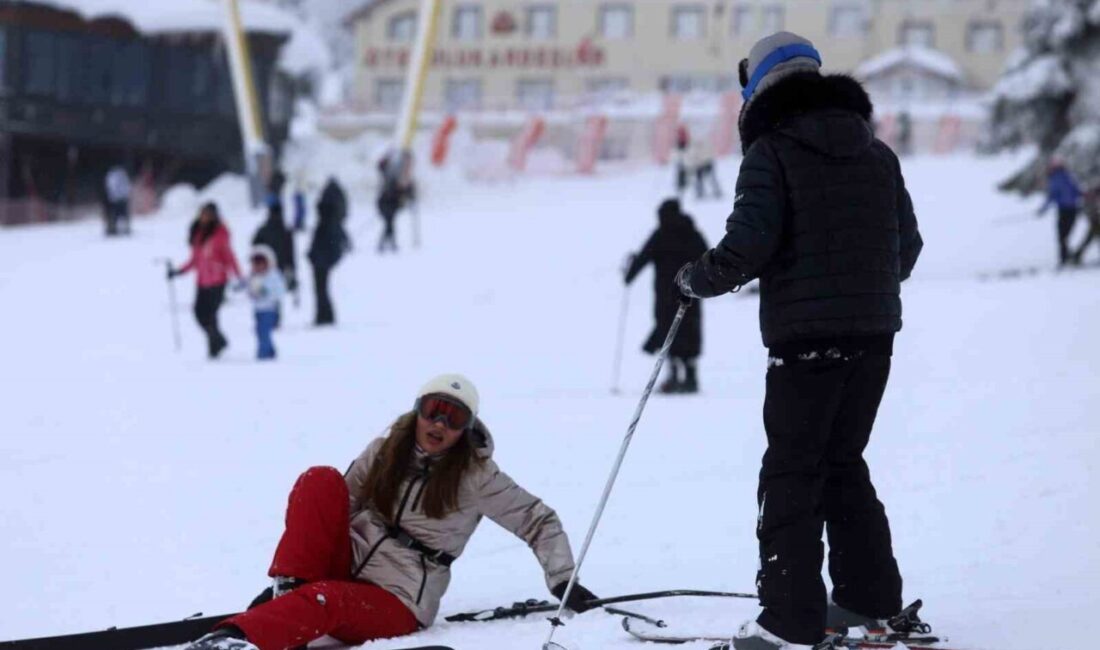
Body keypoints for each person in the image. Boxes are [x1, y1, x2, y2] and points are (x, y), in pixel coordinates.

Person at [674, 32, 924, 650]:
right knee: (843, 464)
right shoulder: (878, 154)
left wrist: (693, 277)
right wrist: (859, 287)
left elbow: (747, 247)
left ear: (757, 88)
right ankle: (869, 598)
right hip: (874, 338)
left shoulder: (772, 152)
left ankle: (788, 621)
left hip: (806, 341)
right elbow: (908, 248)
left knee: (791, 472)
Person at [182, 374, 598, 650]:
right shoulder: (388, 448)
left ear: (466, 429)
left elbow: (538, 519)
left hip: (397, 598)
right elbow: (338, 503)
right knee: (320, 480)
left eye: (454, 418)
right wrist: (300, 577)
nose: (439, 423)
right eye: (433, 409)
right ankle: (292, 594)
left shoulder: (478, 476)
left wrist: (563, 579)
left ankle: (238, 639)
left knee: (330, 600)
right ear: (417, 410)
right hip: (347, 567)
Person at [624, 198, 708, 394]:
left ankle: (675, 376)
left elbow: (644, 257)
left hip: (665, 295)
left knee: (668, 332)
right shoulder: (692, 234)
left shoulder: (661, 235)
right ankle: (690, 377)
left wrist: (630, 275)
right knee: (688, 333)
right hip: (689, 294)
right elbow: (707, 258)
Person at [169, 203, 243, 359]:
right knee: (199, 313)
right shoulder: (197, 234)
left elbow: (229, 257)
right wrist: (179, 271)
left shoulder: (220, 234)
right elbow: (194, 259)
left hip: (218, 280)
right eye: (202, 214)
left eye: (208, 214)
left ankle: (214, 348)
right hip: (202, 280)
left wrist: (238, 276)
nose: (204, 218)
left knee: (211, 314)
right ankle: (218, 340)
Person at [308, 178, 351, 326]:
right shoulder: (334, 217)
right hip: (323, 256)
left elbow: (326, 238)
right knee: (322, 288)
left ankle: (324, 316)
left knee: (321, 288)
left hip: (322, 257)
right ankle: (324, 315)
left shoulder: (328, 218)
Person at [252, 203, 297, 324]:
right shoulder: (285, 230)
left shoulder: (264, 229)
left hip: (264, 267)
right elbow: (291, 252)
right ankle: (275, 317)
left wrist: (257, 262)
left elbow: (254, 245)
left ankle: (264, 316)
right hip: (279, 266)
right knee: (276, 292)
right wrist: (292, 269)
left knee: (263, 291)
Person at [1037, 158, 1083, 266]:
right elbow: (1077, 191)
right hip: (1073, 209)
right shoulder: (1069, 176)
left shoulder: (1055, 180)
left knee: (1062, 236)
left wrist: (1043, 209)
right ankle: (1068, 257)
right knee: (1066, 236)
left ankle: (1064, 259)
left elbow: (1051, 197)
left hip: (1064, 211)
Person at [245, 245, 286, 361]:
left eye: (261, 263)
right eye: (255, 263)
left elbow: (279, 292)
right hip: (258, 310)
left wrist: (265, 292)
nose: (258, 266)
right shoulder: (253, 276)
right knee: (259, 331)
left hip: (270, 310)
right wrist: (251, 293)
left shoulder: (273, 276)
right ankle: (270, 351)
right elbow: (248, 290)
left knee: (264, 331)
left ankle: (263, 354)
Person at [376, 150, 415, 254]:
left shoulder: (403, 176)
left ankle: (386, 244)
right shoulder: (391, 173)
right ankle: (387, 244)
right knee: (389, 223)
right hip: (385, 202)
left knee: (389, 224)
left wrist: (410, 194)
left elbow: (406, 191)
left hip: (392, 204)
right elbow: (381, 166)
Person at [1071, 184, 1100, 264]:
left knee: (1089, 238)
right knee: (1089, 238)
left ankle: (1076, 256)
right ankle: (1076, 256)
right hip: (1095, 220)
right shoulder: (1091, 194)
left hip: (1095, 220)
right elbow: (1087, 208)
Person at [104, 164, 132, 236]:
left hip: (119, 198)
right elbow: (111, 186)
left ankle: (124, 228)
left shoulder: (120, 175)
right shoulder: (113, 175)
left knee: (123, 214)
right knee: (115, 214)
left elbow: (127, 185)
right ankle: (113, 228)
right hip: (117, 198)